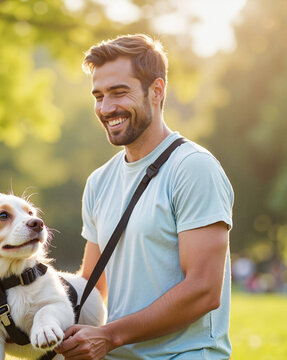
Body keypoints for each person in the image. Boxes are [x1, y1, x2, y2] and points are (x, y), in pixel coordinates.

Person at [54, 34, 234, 359]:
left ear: (157, 91)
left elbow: (204, 291)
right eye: (98, 96)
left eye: (119, 93)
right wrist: (18, 299)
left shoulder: (193, 169)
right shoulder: (99, 182)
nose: (107, 108)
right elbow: (92, 289)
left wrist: (109, 336)